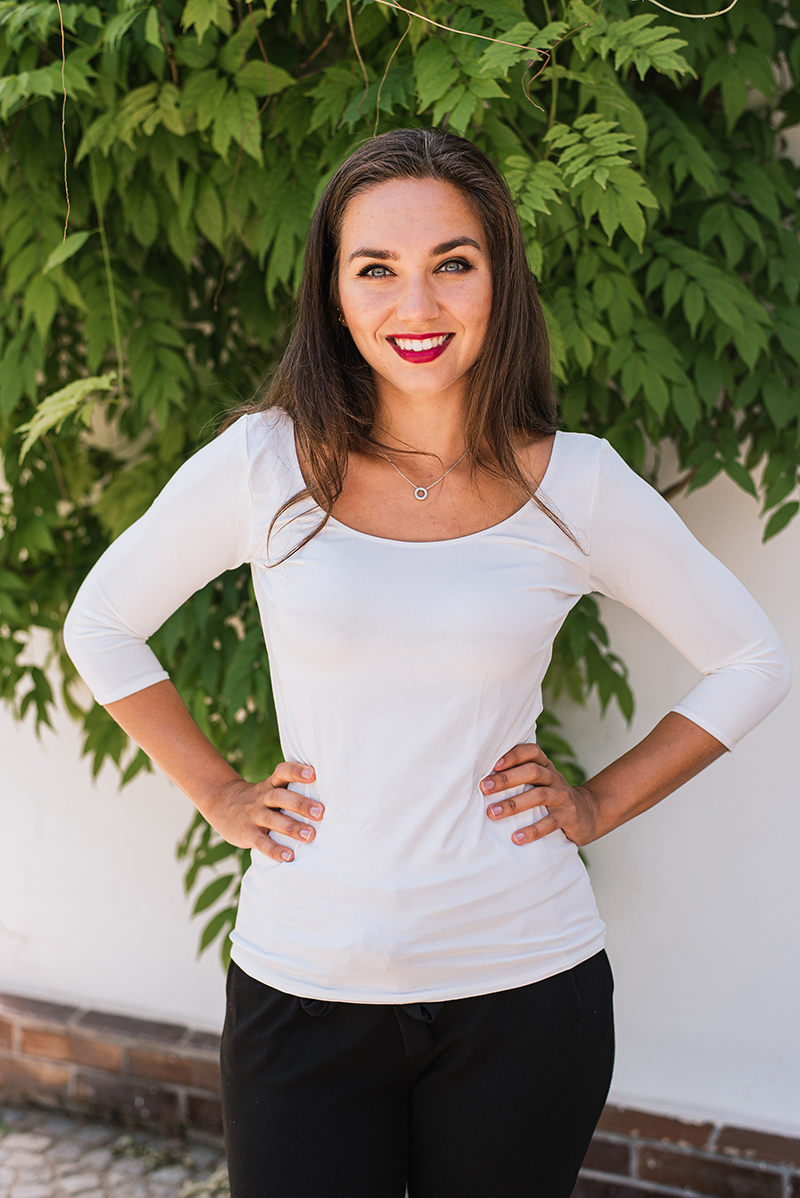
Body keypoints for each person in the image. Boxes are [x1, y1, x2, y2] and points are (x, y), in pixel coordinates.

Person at [64, 128, 790, 1198]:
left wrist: (595, 803)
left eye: (452, 262)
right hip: (305, 980)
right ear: (332, 291)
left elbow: (751, 658)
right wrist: (217, 791)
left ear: (499, 278)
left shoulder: (576, 485)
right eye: (376, 268)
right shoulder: (264, 464)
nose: (417, 304)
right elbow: (101, 622)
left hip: (525, 985)